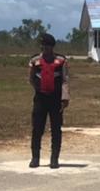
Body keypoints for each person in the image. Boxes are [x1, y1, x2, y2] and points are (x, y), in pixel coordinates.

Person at [28, 32, 69, 169]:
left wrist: (65, 98)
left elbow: (65, 80)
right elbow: (31, 78)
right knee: (37, 128)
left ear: (52, 47)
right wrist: (38, 89)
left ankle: (54, 158)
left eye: (47, 46)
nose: (45, 49)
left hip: (56, 99)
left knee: (56, 129)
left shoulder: (61, 61)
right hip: (40, 98)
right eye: (43, 46)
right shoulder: (35, 61)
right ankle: (35, 157)